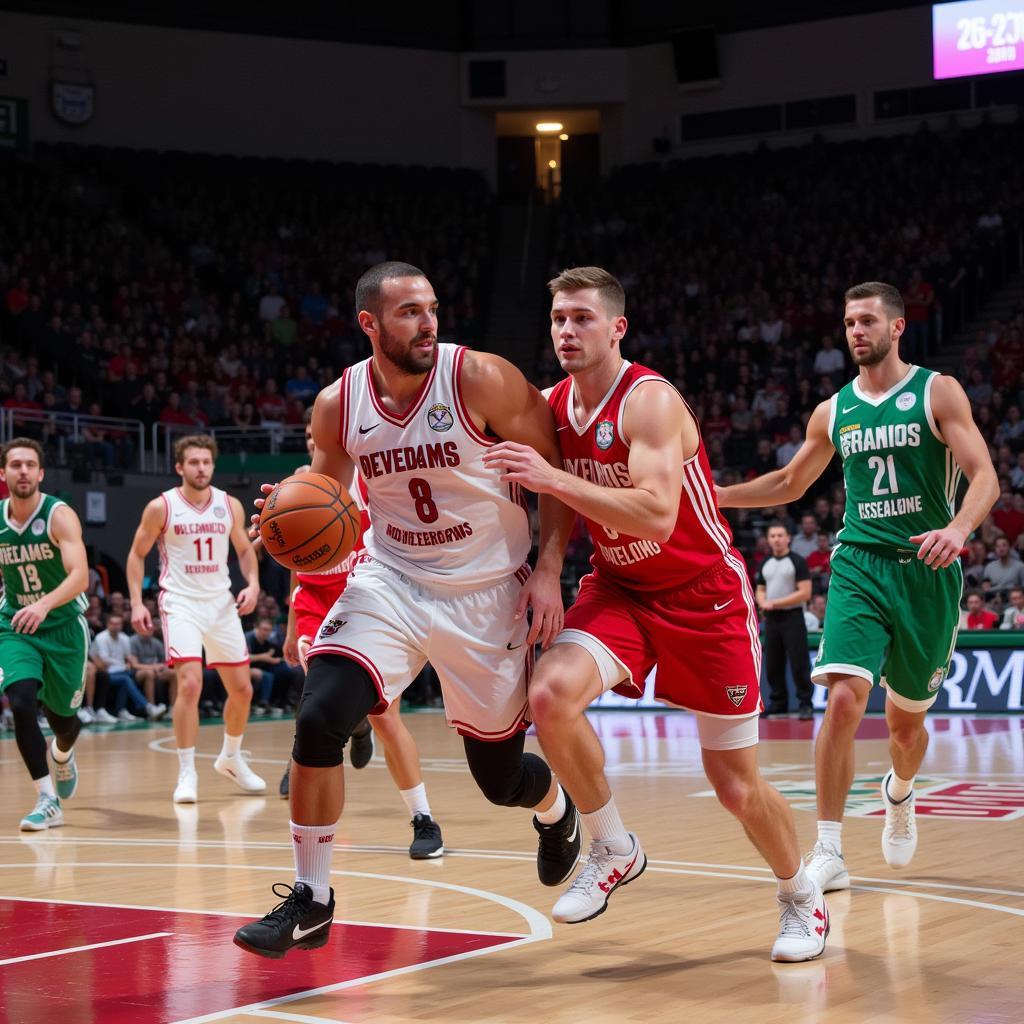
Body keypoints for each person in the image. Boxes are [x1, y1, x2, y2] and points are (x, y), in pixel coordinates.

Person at [484, 267, 828, 963]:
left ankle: (801, 897)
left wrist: (553, 478)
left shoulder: (650, 402)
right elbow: (552, 500)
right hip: (620, 589)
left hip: (705, 595)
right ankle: (611, 845)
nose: (566, 331)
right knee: (548, 695)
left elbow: (658, 513)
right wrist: (549, 568)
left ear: (617, 328)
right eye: (557, 319)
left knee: (735, 786)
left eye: (581, 318)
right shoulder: (550, 405)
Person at [233, 261, 575, 960]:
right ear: (370, 324)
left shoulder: (479, 377)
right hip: (391, 579)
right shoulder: (339, 403)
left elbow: (553, 464)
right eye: (409, 312)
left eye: (432, 309)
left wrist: (548, 568)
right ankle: (314, 900)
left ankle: (557, 810)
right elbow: (322, 497)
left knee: (500, 780)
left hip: (487, 595)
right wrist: (279, 521)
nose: (428, 323)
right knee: (320, 715)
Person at [717, 280, 998, 892]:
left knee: (904, 728)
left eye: (868, 321)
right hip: (860, 563)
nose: (856, 332)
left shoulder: (936, 391)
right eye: (849, 323)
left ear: (897, 327)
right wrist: (719, 498)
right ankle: (830, 849)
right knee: (843, 699)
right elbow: (792, 481)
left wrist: (958, 527)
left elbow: (984, 478)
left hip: (927, 572)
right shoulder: (834, 409)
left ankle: (899, 792)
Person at [278, 409, 445, 860]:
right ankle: (332, 736)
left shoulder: (379, 476)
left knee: (386, 717)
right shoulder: (300, 485)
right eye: (312, 437)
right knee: (318, 694)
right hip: (317, 603)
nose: (319, 443)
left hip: (365, 595)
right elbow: (296, 562)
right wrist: (293, 623)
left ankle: (423, 816)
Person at [126, 434, 265, 803]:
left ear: (213, 465)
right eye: (193, 462)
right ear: (179, 467)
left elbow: (244, 550)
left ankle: (231, 758)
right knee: (189, 684)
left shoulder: (228, 504)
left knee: (243, 689)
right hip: (180, 602)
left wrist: (252, 584)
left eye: (206, 462)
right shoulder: (162, 507)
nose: (201, 468)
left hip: (220, 602)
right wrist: (137, 603)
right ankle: (187, 772)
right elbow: (136, 555)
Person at [0, 438, 89, 830]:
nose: (22, 470)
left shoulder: (59, 515)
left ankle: (64, 753)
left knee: (63, 720)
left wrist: (43, 604)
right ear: (3, 474)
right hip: (16, 625)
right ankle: (47, 798)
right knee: (20, 702)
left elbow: (80, 576)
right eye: (15, 464)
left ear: (40, 473)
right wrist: (26, 607)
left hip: (64, 626)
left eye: (29, 464)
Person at [757, 523, 814, 720]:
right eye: (772, 535)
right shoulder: (765, 562)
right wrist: (763, 601)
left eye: (780, 535)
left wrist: (774, 602)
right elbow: (760, 589)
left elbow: (805, 593)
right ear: (768, 538)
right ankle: (778, 703)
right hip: (772, 619)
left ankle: (805, 704)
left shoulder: (798, 562)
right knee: (773, 664)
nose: (776, 539)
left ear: (788, 537)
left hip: (793, 617)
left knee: (800, 664)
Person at [90, 612, 166, 722]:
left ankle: (122, 711)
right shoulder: (101, 638)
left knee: (134, 676)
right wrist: (123, 664)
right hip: (107, 673)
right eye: (113, 623)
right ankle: (148, 707)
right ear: (107, 624)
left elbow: (129, 657)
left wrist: (128, 663)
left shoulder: (125, 638)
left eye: (118, 624)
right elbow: (104, 661)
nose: (115, 626)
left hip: (122, 670)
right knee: (126, 679)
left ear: (122, 625)